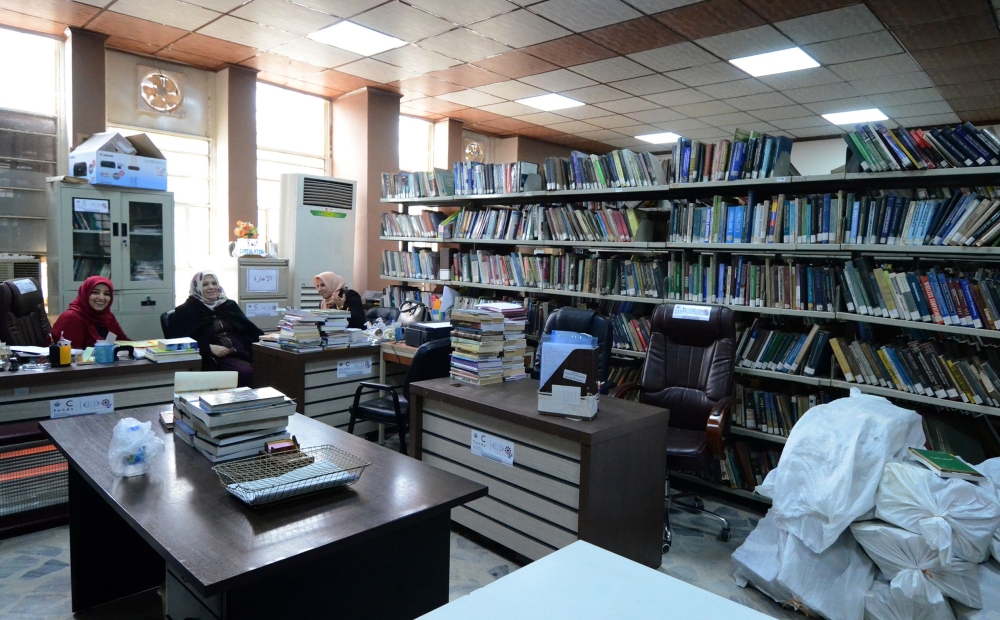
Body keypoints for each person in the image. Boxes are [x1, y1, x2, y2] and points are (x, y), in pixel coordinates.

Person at [171, 271, 262, 387]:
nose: (211, 287)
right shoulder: (186, 311)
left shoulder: (228, 305)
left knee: (272, 367)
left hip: (244, 352)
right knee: (247, 373)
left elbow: (250, 329)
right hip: (217, 358)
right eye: (205, 284)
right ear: (196, 287)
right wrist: (207, 348)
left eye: (214, 283)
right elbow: (177, 342)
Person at [51, 276, 130, 348]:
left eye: (106, 294)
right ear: (85, 293)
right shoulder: (71, 318)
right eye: (95, 292)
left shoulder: (108, 317)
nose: (101, 297)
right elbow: (71, 356)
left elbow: (124, 341)